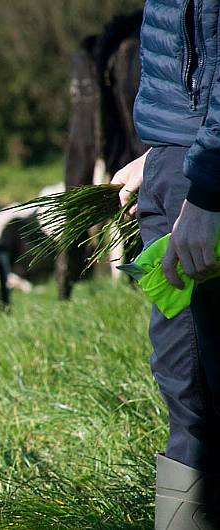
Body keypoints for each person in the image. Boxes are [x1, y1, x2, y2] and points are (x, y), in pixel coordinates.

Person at [110, 1, 220, 526]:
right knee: (185, 390)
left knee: (204, 389)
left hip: (206, 174)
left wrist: (207, 187)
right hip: (176, 155)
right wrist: (160, 154)